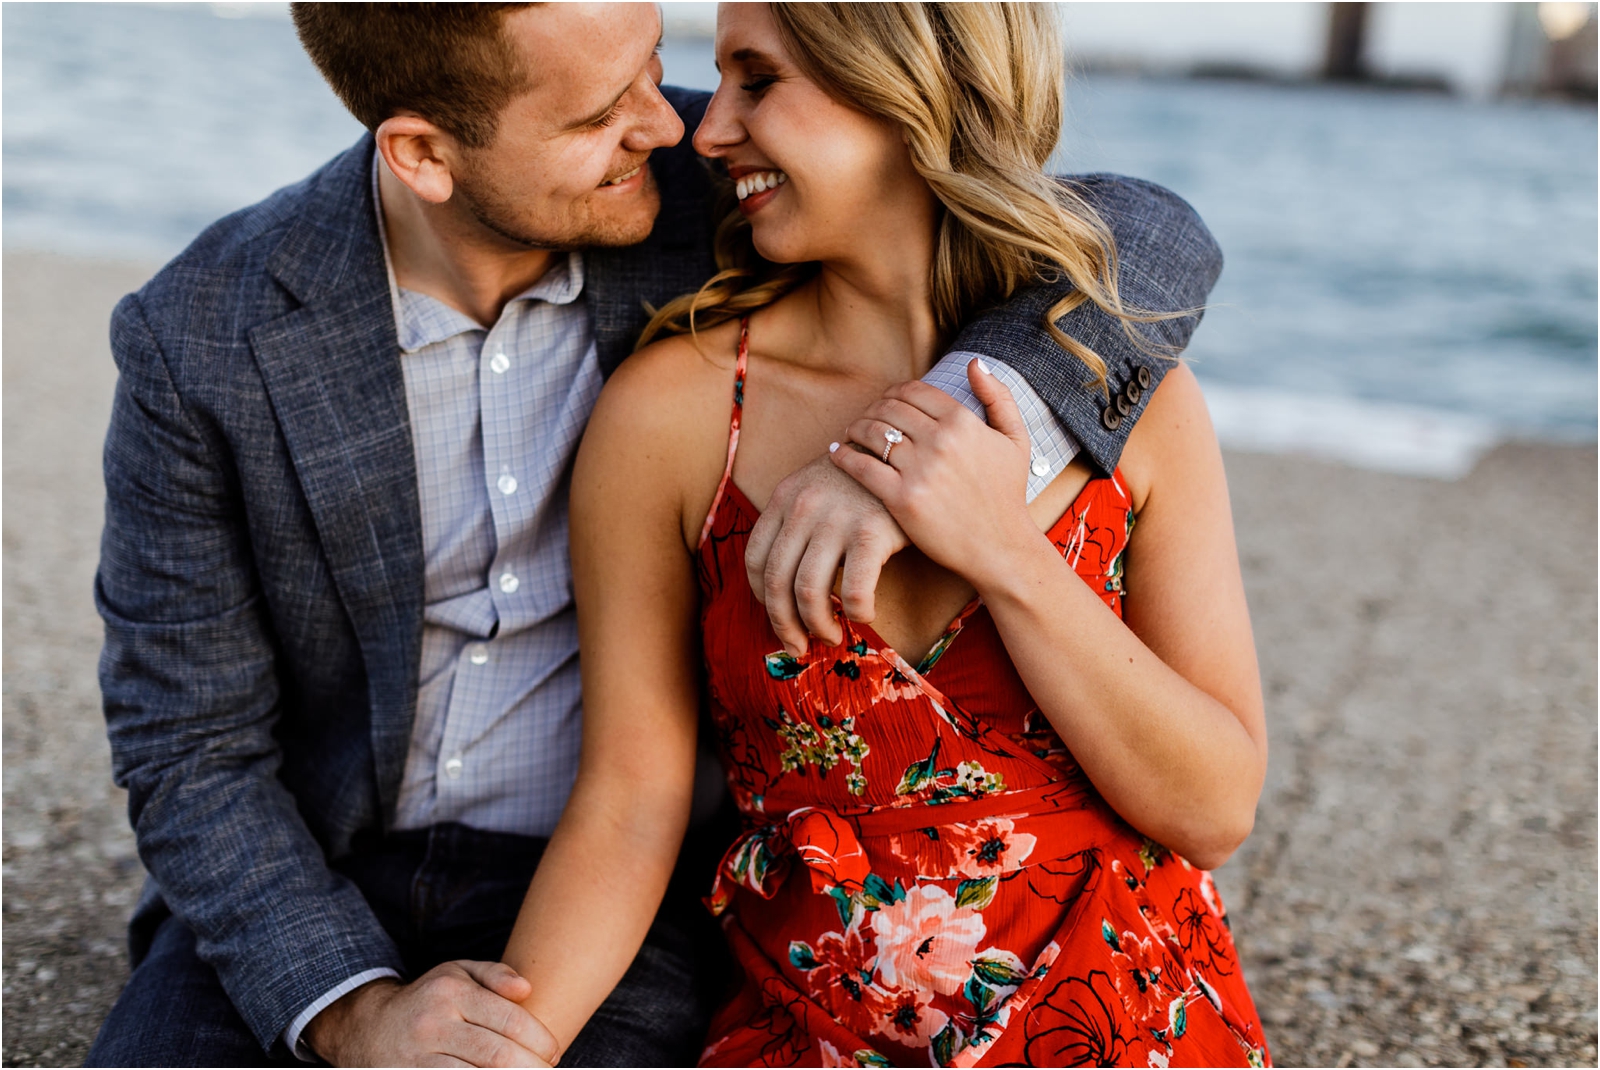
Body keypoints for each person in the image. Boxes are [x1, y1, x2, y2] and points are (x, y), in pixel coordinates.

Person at [88, 3, 1222, 1067]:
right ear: (424, 155)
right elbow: (188, 748)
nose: (674, 121)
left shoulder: (715, 185)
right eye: (599, 113)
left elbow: (1135, 227)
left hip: (620, 876)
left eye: (650, 62)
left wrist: (940, 440)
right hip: (321, 863)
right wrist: (353, 1012)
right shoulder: (205, 340)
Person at [499, 3, 1270, 1067]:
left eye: (757, 80)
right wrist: (513, 1040)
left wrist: (1000, 547)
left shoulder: (1127, 393)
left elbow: (1214, 806)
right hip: (810, 1033)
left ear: (906, 86)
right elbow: (631, 800)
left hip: (1132, 1016)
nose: (708, 130)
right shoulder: (674, 415)